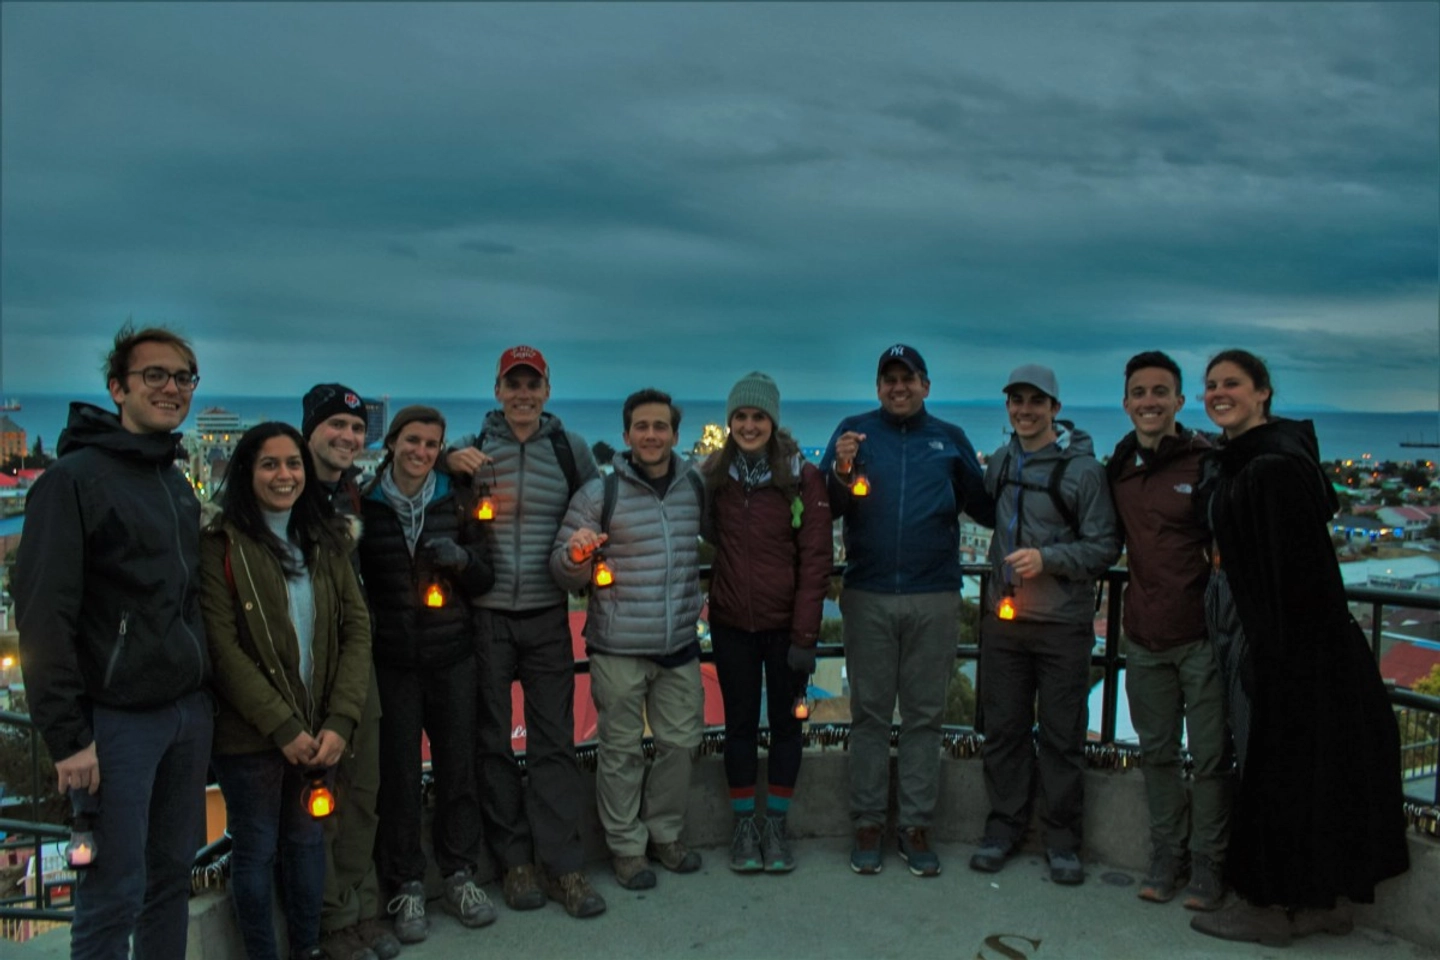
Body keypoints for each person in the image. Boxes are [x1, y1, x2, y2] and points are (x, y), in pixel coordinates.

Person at [1189, 349, 1408, 947]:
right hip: (1304, 644)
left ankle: (1268, 904)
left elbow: (1293, 575)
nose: (1217, 392)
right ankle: (1324, 902)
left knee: (1279, 773)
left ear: (1263, 393)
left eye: (1231, 383)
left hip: (1291, 647)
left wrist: (1276, 657)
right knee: (1317, 772)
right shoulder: (1266, 458)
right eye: (1210, 385)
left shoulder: (1271, 469)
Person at [14, 322, 213, 960]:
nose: (171, 387)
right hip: (117, 723)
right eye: (153, 375)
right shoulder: (72, 481)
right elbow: (43, 616)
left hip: (184, 713)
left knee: (168, 884)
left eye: (183, 377)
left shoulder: (176, 483)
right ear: (116, 388)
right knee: (110, 896)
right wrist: (69, 737)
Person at [200, 422, 374, 960]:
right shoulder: (220, 543)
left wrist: (340, 721)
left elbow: (356, 629)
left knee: (305, 845)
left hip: (320, 731)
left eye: (293, 463)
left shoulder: (325, 539)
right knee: (255, 851)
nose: (284, 475)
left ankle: (308, 949)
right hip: (250, 735)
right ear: (246, 471)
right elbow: (222, 648)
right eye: (269, 464)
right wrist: (283, 727)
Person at [819, 344, 993, 877]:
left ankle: (916, 827)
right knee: (869, 715)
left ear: (926, 386)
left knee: (925, 716)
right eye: (888, 379)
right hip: (868, 593)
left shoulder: (950, 439)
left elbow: (984, 505)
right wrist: (844, 468)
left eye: (908, 378)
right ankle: (868, 823)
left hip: (935, 595)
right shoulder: (853, 432)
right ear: (877, 387)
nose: (898, 387)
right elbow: (828, 503)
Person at [445, 346, 606, 919]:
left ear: (546, 390)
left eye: (531, 385)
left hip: (546, 614)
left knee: (553, 744)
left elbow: (598, 503)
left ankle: (565, 868)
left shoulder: (570, 449)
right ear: (497, 391)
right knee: (491, 742)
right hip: (485, 614)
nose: (522, 394)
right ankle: (514, 862)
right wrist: (444, 457)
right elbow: (427, 484)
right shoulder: (471, 448)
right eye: (512, 385)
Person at [549, 388, 705, 892]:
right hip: (617, 645)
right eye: (642, 426)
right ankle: (626, 848)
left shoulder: (694, 486)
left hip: (679, 643)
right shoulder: (601, 493)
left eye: (661, 427)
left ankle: (665, 834)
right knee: (620, 751)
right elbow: (562, 566)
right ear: (626, 435)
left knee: (680, 745)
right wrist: (576, 557)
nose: (652, 435)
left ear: (675, 435)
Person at [970, 364, 1120, 886]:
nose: (1025, 410)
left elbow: (1104, 546)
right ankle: (1003, 828)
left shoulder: (1084, 472)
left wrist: (1049, 559)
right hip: (1004, 620)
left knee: (1062, 737)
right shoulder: (1004, 460)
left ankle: (1062, 841)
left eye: (1036, 402)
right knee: (1004, 730)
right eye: (1017, 401)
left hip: (1061, 624)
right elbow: (988, 511)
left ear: (1055, 408)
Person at [359, 407, 496, 943]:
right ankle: (406, 883)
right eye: (412, 441)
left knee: (457, 767)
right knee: (398, 776)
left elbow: (486, 577)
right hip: (392, 660)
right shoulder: (363, 503)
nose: (421, 451)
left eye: (432, 444)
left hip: (453, 656)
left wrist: (460, 558)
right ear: (392, 443)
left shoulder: (457, 497)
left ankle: (459, 872)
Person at [1106, 351, 1229, 910]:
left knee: (1207, 757)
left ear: (1180, 401)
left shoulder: (1207, 461)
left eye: (1161, 392)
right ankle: (1166, 854)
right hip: (1143, 635)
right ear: (1126, 402)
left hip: (1200, 636)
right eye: (1139, 392)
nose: (1149, 401)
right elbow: (1104, 538)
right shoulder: (1121, 465)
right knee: (1156, 754)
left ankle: (1209, 862)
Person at [702, 372, 832, 873]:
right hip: (733, 623)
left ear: (773, 421)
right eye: (741, 416)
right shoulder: (716, 476)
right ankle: (743, 827)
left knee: (785, 728)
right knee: (737, 727)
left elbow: (816, 560)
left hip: (785, 629)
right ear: (730, 421)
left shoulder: (802, 476)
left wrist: (805, 636)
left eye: (758, 416)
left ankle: (775, 826)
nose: (750, 425)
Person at [300, 384, 400, 960]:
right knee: (321, 801)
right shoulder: (287, 491)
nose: (348, 437)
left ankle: (359, 909)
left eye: (357, 429)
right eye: (336, 425)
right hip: (311, 672)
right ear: (311, 428)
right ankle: (331, 920)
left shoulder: (351, 493)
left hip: (360, 665)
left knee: (364, 793)